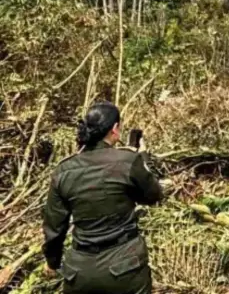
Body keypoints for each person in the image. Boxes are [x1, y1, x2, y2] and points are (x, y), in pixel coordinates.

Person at [42, 101, 164, 294]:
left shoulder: (63, 170)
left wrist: (52, 261)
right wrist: (143, 160)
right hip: (125, 266)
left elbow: (54, 226)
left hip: (79, 272)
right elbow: (153, 195)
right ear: (115, 129)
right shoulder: (128, 161)